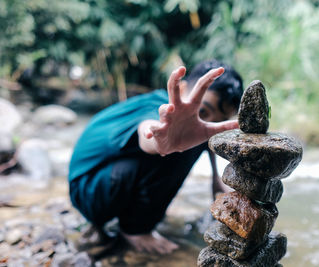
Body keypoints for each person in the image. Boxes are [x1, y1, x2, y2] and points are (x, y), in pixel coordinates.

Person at [68, 59, 243, 254]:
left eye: (218, 121)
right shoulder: (160, 108)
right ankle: (134, 231)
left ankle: (137, 218)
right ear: (183, 88)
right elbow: (147, 132)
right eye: (203, 111)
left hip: (112, 179)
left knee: (192, 138)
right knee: (178, 144)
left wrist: (215, 178)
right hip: (88, 190)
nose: (206, 122)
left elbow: (205, 136)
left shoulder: (193, 124)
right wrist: (163, 140)